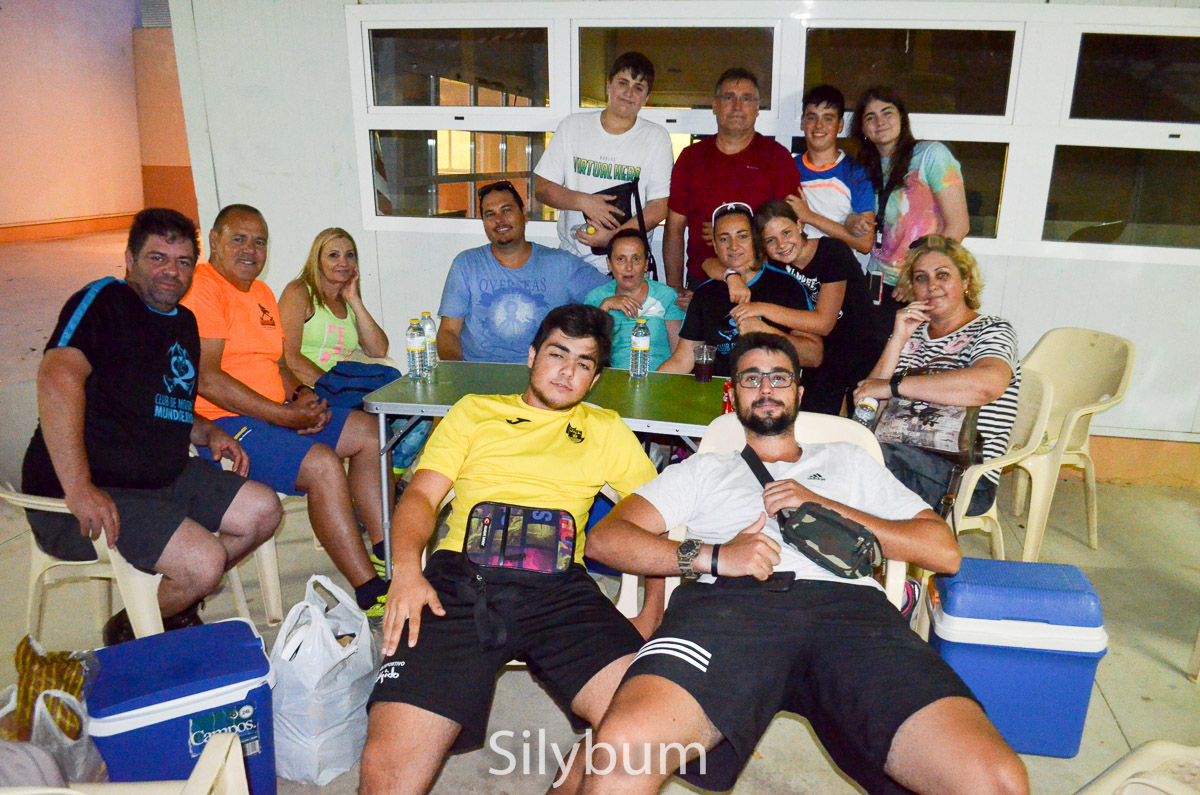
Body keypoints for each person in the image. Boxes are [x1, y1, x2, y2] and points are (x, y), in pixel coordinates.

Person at [580, 332, 1029, 795]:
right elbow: (606, 539)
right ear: (733, 393)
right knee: (623, 750)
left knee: (996, 780)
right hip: (724, 608)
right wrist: (715, 556)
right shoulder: (703, 469)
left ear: (798, 392)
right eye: (752, 378)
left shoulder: (848, 460)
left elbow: (943, 552)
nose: (766, 388)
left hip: (851, 613)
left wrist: (822, 505)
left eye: (779, 378)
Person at [359, 305, 662, 795]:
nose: (567, 371)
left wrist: (653, 610)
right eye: (558, 354)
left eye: (584, 363)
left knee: (646, 733)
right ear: (531, 356)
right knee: (387, 773)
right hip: (460, 582)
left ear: (594, 380)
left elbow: (660, 519)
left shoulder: (605, 428)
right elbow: (420, 497)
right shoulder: (473, 412)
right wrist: (407, 573)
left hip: (562, 590)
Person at [21, 208, 282, 644]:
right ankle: (156, 615)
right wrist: (79, 488)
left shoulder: (183, 323)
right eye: (157, 258)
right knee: (204, 562)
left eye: (182, 262)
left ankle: (150, 615)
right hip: (85, 496)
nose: (171, 272)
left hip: (164, 480)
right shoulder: (105, 301)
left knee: (263, 509)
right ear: (130, 259)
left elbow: (167, 402)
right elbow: (56, 378)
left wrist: (208, 432)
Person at [183, 204, 393, 617]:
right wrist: (282, 416)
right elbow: (207, 378)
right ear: (214, 241)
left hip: (275, 412)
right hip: (223, 424)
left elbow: (279, 364)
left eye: (259, 242)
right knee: (323, 465)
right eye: (239, 239)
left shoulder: (261, 293)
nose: (250, 250)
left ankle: (386, 550)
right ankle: (371, 592)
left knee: (371, 432)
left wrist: (301, 395)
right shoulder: (202, 289)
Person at [854, 235, 1020, 517]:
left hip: (962, 475)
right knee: (837, 451)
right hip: (897, 453)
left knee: (866, 462)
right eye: (921, 278)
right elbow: (866, 405)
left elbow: (988, 385)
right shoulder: (912, 333)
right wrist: (897, 340)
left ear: (966, 281)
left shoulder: (992, 329)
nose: (932, 286)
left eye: (942, 275)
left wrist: (894, 387)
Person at [437, 181, 608, 364]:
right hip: (479, 372)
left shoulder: (561, 264)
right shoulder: (467, 264)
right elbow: (448, 332)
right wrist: (458, 371)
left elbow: (614, 294)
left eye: (506, 210)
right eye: (490, 214)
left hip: (544, 373)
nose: (499, 220)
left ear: (524, 214)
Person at [663, 68, 800, 295]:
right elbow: (675, 227)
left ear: (757, 108)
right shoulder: (691, 158)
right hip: (703, 283)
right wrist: (674, 289)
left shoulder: (777, 158)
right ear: (714, 105)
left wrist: (730, 232)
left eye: (746, 99)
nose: (737, 106)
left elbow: (787, 229)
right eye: (729, 98)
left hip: (763, 284)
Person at [533, 51, 673, 273]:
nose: (629, 93)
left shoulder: (656, 137)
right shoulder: (572, 126)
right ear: (608, 85)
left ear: (647, 97)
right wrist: (585, 202)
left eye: (638, 88)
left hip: (626, 267)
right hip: (572, 262)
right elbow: (542, 189)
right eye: (622, 83)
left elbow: (660, 206)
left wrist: (614, 237)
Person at [850, 86, 969, 340]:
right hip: (877, 279)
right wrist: (853, 221)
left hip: (922, 285)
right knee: (875, 352)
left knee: (917, 356)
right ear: (862, 128)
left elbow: (958, 226)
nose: (880, 122)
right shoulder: (864, 167)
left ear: (902, 118)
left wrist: (915, 277)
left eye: (887, 112)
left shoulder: (931, 155)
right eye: (870, 117)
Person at [737, 199, 876, 415]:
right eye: (771, 240)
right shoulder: (776, 262)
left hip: (861, 348)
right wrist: (731, 278)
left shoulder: (833, 251)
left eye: (786, 233)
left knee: (850, 420)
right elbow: (712, 264)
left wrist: (761, 308)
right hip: (821, 353)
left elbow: (823, 324)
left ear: (799, 225)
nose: (781, 245)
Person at [657, 203, 819, 378]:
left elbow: (813, 356)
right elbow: (682, 360)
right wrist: (646, 386)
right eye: (724, 239)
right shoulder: (705, 293)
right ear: (715, 245)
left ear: (755, 240)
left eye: (742, 237)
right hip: (719, 390)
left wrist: (765, 332)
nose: (733, 246)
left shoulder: (786, 285)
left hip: (770, 388)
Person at [278, 227, 389, 386]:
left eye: (349, 255)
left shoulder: (347, 301)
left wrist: (354, 299)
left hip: (338, 385)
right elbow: (289, 357)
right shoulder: (298, 291)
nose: (343, 263)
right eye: (333, 255)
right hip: (308, 388)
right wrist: (334, 386)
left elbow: (378, 350)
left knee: (389, 376)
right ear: (318, 261)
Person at [789, 84, 875, 254]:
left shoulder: (856, 173)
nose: (819, 126)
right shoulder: (788, 169)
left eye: (828, 118)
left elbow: (865, 243)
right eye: (812, 117)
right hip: (797, 266)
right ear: (802, 122)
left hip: (841, 267)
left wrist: (809, 216)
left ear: (840, 125)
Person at [585, 229, 684, 370]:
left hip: (660, 377)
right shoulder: (596, 297)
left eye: (636, 259)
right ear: (609, 263)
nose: (629, 267)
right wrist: (605, 307)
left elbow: (680, 355)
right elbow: (586, 352)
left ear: (646, 264)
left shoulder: (666, 296)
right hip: (611, 378)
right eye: (621, 259)